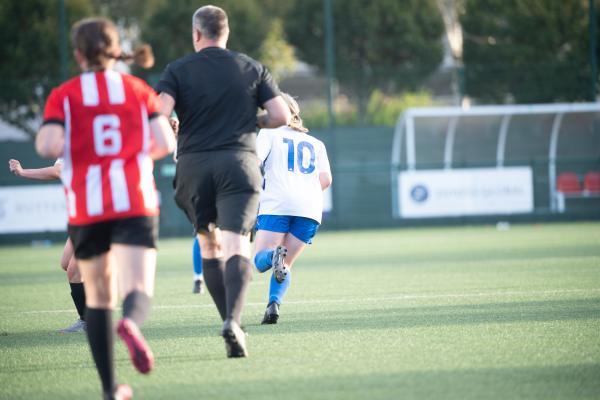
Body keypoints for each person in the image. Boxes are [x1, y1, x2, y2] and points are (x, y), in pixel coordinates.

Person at [35, 17, 175, 400]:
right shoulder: (137, 89)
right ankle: (131, 322)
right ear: (115, 51)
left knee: (97, 298)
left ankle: (111, 388)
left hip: (88, 207)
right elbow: (163, 142)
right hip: (135, 201)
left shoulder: (64, 95)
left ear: (78, 54)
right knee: (138, 288)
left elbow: (47, 145)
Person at [156, 5, 291, 358]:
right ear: (226, 33)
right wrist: (254, 122)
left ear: (196, 34)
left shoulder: (178, 70)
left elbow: (158, 112)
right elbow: (281, 114)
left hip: (193, 165)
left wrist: (173, 134)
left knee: (209, 247)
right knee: (236, 247)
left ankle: (230, 322)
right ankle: (234, 320)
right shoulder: (250, 67)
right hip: (238, 163)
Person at [253, 93, 332, 324]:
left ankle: (273, 256)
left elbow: (253, 164)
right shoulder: (316, 143)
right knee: (285, 264)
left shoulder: (268, 133)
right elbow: (326, 180)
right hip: (310, 208)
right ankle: (273, 304)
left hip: (277, 203)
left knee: (261, 260)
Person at [8, 159, 87, 333]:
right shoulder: (67, 144)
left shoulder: (78, 141)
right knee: (66, 264)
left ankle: (89, 320)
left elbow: (57, 172)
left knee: (75, 270)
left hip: (99, 215)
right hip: (82, 217)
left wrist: (23, 172)